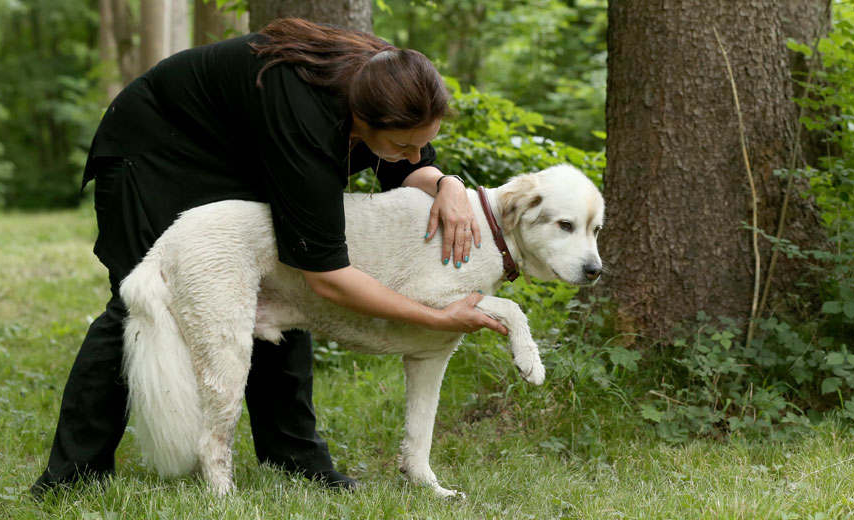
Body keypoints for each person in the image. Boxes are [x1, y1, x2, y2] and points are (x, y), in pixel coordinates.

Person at [31, 17, 508, 495]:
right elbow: (326, 277)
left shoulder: (399, 82)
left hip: (241, 156)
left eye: (425, 142)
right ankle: (72, 476)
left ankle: (295, 458)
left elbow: (408, 169)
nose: (414, 155)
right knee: (139, 298)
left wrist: (448, 183)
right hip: (156, 148)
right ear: (362, 120)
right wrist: (436, 318)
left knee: (284, 284)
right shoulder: (308, 123)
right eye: (405, 145)